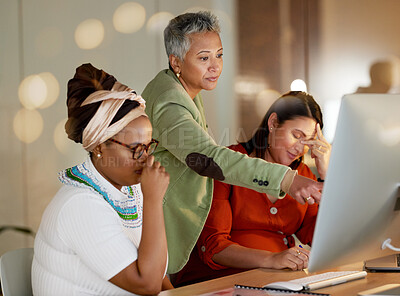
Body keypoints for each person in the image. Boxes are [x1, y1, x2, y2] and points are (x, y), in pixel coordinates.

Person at [142, 11, 324, 274]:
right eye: (204, 58)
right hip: (166, 236)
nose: (215, 66)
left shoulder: (186, 92)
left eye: (219, 55)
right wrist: (286, 179)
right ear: (176, 62)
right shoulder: (170, 101)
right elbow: (206, 157)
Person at [32, 64, 173, 295]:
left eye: (148, 147)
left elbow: (158, 275)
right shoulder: (79, 204)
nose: (145, 158)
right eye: (135, 148)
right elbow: (146, 284)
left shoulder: (130, 189)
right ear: (99, 147)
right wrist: (154, 200)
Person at [173, 91, 332, 285]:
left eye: (308, 141)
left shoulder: (303, 175)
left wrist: (326, 174)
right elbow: (214, 247)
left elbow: (325, 240)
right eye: (296, 135)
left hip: (275, 282)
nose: (301, 148)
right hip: (218, 281)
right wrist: (272, 259)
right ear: (273, 123)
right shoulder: (229, 165)